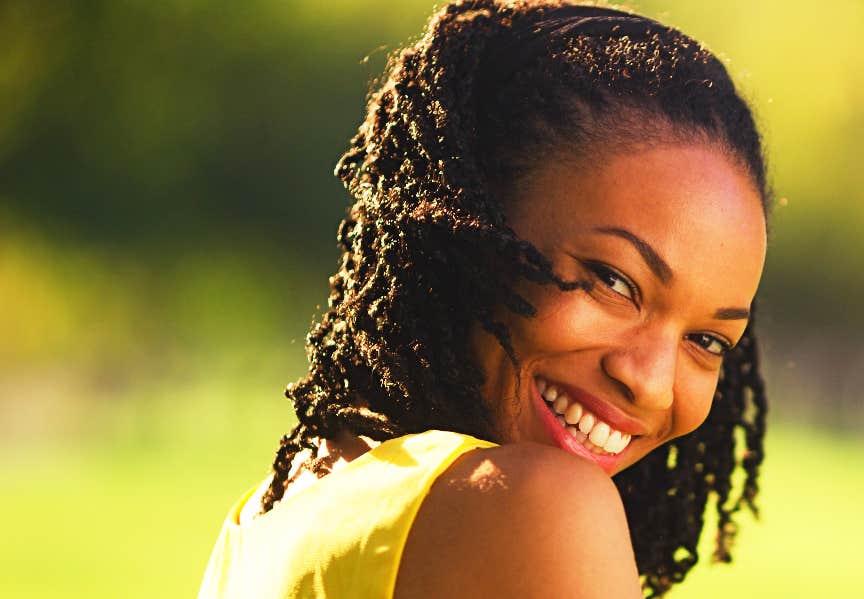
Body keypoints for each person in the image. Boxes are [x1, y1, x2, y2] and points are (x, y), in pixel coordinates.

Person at [199, 0, 770, 597]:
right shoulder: (537, 507)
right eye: (614, 281)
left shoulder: (276, 513)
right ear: (469, 222)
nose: (651, 383)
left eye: (707, 341)